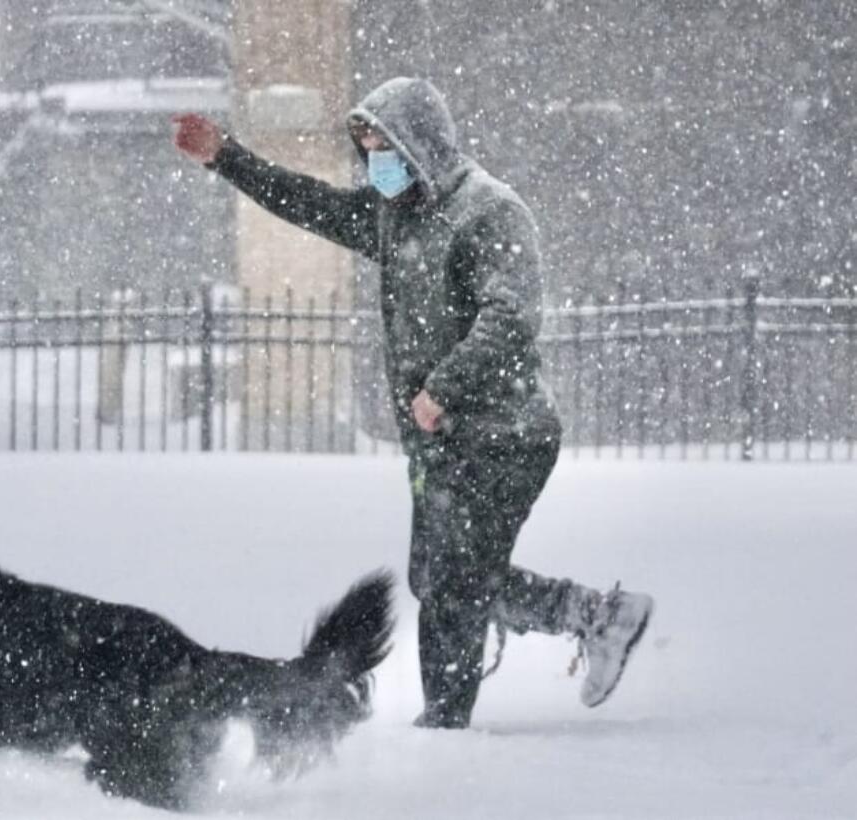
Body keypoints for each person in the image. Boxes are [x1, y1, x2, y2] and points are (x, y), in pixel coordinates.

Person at [173, 77, 654, 729]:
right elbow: (309, 202)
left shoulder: (489, 212)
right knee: (441, 579)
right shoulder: (394, 215)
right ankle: (597, 615)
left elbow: (511, 317)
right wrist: (226, 157)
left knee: (455, 587)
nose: (375, 159)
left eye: (383, 143)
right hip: (442, 442)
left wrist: (442, 389)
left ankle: (443, 727)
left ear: (418, 141)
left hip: (504, 437)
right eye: (367, 145)